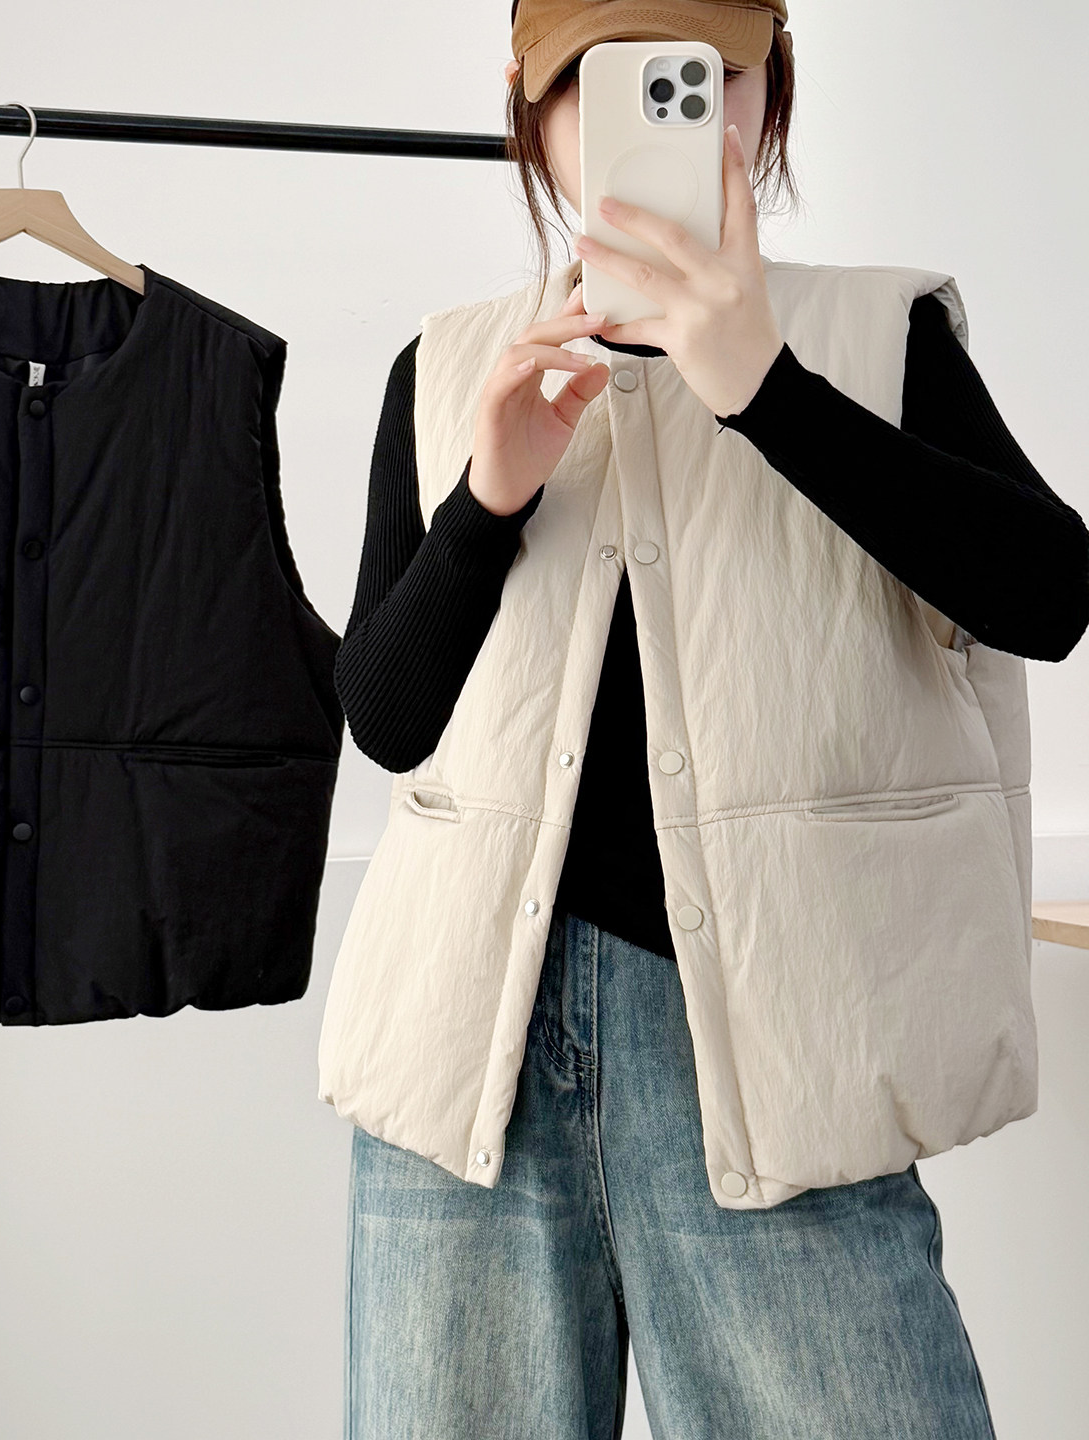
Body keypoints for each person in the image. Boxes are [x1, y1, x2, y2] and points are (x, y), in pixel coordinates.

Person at [330, 3, 1089, 1437]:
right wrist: (488, 500)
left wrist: (767, 392)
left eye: (703, 76)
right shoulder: (448, 364)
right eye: (594, 83)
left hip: (776, 1061)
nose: (661, 117)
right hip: (463, 1060)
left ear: (769, 93)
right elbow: (385, 715)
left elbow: (1049, 597)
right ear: (531, 111)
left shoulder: (879, 334)